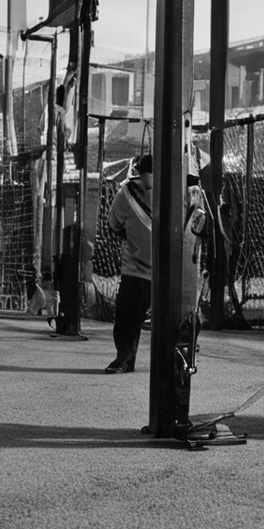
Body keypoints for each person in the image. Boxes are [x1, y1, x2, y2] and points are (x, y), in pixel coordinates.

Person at [105, 154, 153, 374]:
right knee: (127, 315)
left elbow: (114, 225)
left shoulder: (126, 193)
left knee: (128, 315)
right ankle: (125, 357)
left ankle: (125, 358)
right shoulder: (126, 194)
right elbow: (114, 224)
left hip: (145, 269)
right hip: (143, 270)